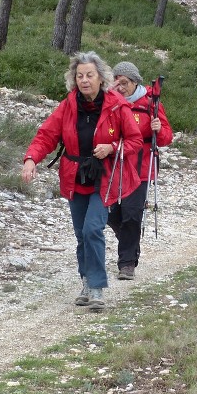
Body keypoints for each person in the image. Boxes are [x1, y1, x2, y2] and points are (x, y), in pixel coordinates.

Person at [21, 52, 143, 310]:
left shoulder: (117, 105)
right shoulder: (68, 105)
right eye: (80, 76)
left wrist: (111, 147)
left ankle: (97, 288)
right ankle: (86, 281)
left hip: (105, 177)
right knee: (80, 234)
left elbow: (134, 141)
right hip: (75, 176)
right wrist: (31, 159)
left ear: (101, 78)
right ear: (74, 79)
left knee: (92, 229)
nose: (85, 80)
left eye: (90, 75)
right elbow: (46, 135)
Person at [107, 61, 173, 280]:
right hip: (113, 164)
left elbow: (165, 139)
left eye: (124, 83)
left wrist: (159, 129)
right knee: (111, 214)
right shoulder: (110, 102)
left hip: (141, 167)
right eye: (116, 82)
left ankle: (127, 264)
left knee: (132, 214)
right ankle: (129, 241)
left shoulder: (151, 104)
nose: (120, 87)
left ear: (135, 82)